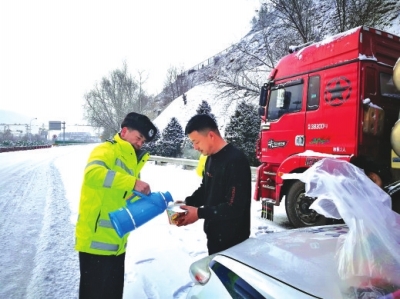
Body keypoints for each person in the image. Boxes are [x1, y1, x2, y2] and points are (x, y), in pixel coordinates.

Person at [75, 112, 157, 299]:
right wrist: (132, 182)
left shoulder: (132, 162)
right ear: (125, 131)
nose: (140, 144)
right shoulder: (106, 150)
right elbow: (93, 174)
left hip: (117, 242)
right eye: (139, 138)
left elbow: (127, 198)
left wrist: (154, 202)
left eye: (143, 142)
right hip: (95, 243)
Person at [177, 114, 252, 255]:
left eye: (196, 142)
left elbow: (234, 207)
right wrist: (187, 203)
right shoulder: (210, 159)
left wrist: (199, 213)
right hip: (214, 237)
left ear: (211, 135)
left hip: (233, 243)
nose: (195, 147)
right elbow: (206, 189)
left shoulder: (235, 161)